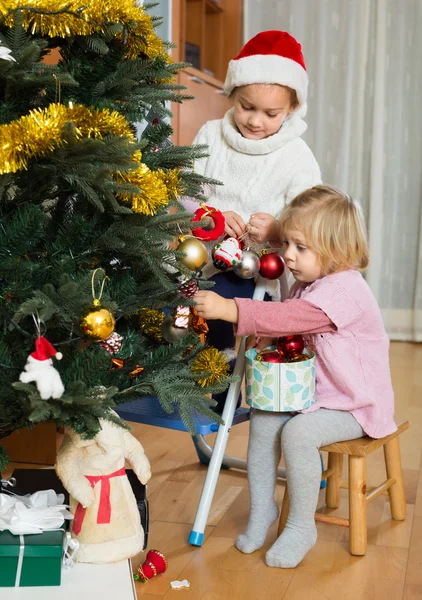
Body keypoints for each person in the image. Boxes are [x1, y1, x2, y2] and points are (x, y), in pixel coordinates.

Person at [194, 185, 397, 568]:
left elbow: (289, 318)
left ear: (336, 250)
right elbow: (288, 314)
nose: (288, 255)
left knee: (298, 433)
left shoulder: (344, 292)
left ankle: (302, 526)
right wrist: (273, 235)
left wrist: (228, 308)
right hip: (317, 393)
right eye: (287, 243)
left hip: (355, 403)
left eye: (300, 248)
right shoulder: (313, 278)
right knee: (266, 417)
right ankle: (262, 511)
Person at [182, 30, 321, 411]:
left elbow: (312, 220)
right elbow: (184, 192)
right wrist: (208, 216)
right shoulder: (211, 135)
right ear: (232, 94)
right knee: (169, 304)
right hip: (195, 257)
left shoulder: (296, 155)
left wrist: (278, 230)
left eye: (270, 113)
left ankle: (221, 391)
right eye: (247, 107)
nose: (255, 121)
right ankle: (158, 380)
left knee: (225, 308)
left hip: (252, 271)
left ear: (291, 109)